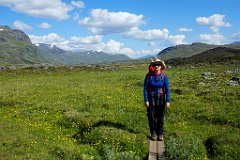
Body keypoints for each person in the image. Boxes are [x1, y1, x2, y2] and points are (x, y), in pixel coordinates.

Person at [143, 57, 170, 141]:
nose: (156, 66)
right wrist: (146, 100)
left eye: (158, 65)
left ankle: (160, 133)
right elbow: (145, 89)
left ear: (161, 66)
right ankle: (153, 133)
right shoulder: (148, 76)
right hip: (151, 98)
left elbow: (167, 89)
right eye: (155, 65)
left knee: (160, 116)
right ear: (153, 66)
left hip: (161, 97)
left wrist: (167, 101)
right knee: (151, 116)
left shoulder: (164, 76)